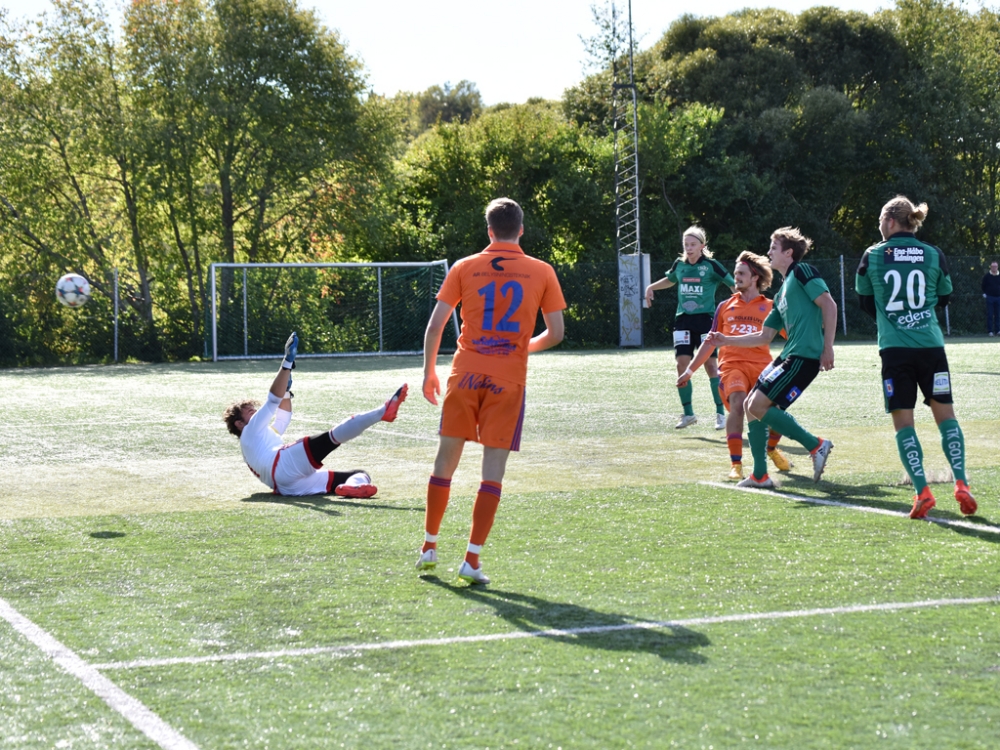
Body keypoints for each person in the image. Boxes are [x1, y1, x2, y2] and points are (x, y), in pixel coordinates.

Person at [417, 198, 566, 584]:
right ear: (521, 230)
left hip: (464, 375)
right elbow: (556, 333)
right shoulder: (542, 270)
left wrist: (429, 372)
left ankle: (429, 547)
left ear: (489, 230)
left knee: (444, 463)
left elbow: (435, 326)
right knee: (492, 473)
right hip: (508, 380)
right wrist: (520, 348)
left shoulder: (464, 266)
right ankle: (471, 560)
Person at [856, 196, 976, 519]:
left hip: (895, 350)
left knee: (903, 424)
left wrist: (893, 319)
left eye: (880, 222)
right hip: (931, 347)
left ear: (890, 221)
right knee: (946, 417)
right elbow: (944, 296)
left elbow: (865, 301)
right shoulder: (934, 254)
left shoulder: (873, 255)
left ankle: (922, 491)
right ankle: (962, 483)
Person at [705, 227, 836, 488]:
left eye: (773, 248)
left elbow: (829, 304)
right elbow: (764, 336)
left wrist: (828, 348)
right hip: (788, 355)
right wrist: (725, 339)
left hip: (804, 356)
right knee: (750, 406)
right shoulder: (782, 292)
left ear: (789, 253)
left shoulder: (802, 271)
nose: (768, 252)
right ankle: (760, 475)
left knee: (756, 405)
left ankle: (816, 445)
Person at [223, 332, 407, 497]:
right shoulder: (250, 430)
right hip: (282, 465)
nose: (255, 412)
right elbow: (272, 401)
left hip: (286, 486)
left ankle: (352, 487)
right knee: (331, 437)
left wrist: (286, 392)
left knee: (359, 474)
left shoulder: (258, 439)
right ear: (239, 423)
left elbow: (283, 417)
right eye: (250, 411)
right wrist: (287, 362)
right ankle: (382, 412)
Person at [677, 251, 791, 481]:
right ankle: (736, 464)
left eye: (741, 273)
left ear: (755, 277)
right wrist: (689, 371)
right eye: (736, 273)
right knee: (738, 402)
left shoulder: (771, 307)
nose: (736, 277)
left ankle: (771, 449)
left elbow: (791, 336)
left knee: (776, 410)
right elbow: (710, 342)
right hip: (731, 366)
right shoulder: (725, 306)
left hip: (762, 367)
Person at [645, 226, 735, 430]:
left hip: (706, 321)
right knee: (681, 365)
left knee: (711, 366)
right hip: (683, 320)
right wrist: (651, 287)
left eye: (693, 244)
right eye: (686, 244)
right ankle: (688, 414)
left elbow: (731, 283)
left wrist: (740, 302)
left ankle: (720, 414)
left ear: (702, 246)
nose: (689, 248)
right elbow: (671, 279)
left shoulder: (711, 266)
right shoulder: (680, 264)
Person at [982, 260, 1000, 336]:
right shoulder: (987, 276)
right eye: (993, 266)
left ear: (997, 267)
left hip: (998, 297)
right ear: (990, 267)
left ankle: (998, 330)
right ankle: (990, 331)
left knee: (998, 314)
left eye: (995, 266)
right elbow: (983, 285)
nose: (994, 268)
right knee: (990, 314)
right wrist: (985, 293)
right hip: (990, 297)